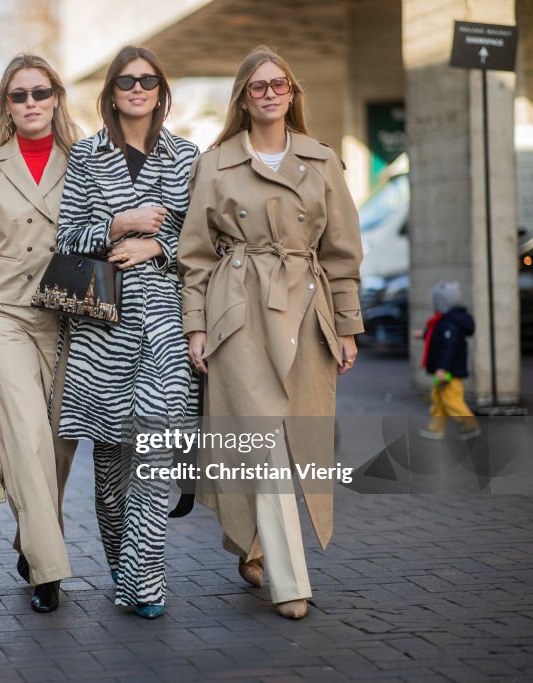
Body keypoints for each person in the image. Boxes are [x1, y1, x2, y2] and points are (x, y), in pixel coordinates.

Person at [178, 45, 363, 619]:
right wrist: (197, 327)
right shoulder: (214, 164)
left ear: (292, 92)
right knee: (260, 439)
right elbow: (196, 256)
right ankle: (290, 583)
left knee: (288, 441)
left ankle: (254, 542)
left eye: (278, 84)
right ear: (242, 97)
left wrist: (348, 325)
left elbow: (341, 252)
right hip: (239, 311)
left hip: (307, 313)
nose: (269, 93)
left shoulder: (323, 160)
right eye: (257, 86)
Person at [55, 46, 200, 619]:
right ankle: (122, 561)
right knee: (112, 462)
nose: (137, 88)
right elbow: (65, 238)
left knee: (155, 448)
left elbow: (201, 237)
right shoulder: (87, 156)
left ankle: (145, 582)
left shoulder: (186, 156)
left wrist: (159, 244)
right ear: (112, 92)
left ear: (161, 90)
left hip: (165, 319)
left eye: (148, 80)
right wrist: (119, 223)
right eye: (126, 80)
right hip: (102, 326)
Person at [0, 54, 83, 613]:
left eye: (39, 92)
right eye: (18, 95)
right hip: (2, 315)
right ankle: (48, 572)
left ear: (56, 97)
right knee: (25, 436)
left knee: (58, 441)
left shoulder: (85, 162)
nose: (30, 103)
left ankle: (32, 538)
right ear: (6, 105)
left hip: (71, 317)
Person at [415, 281, 479, 440]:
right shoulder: (445, 321)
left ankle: (469, 424)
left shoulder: (449, 323)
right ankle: (436, 427)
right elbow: (439, 340)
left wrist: (442, 368)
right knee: (439, 398)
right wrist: (423, 335)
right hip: (445, 370)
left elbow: (448, 348)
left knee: (451, 399)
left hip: (449, 371)